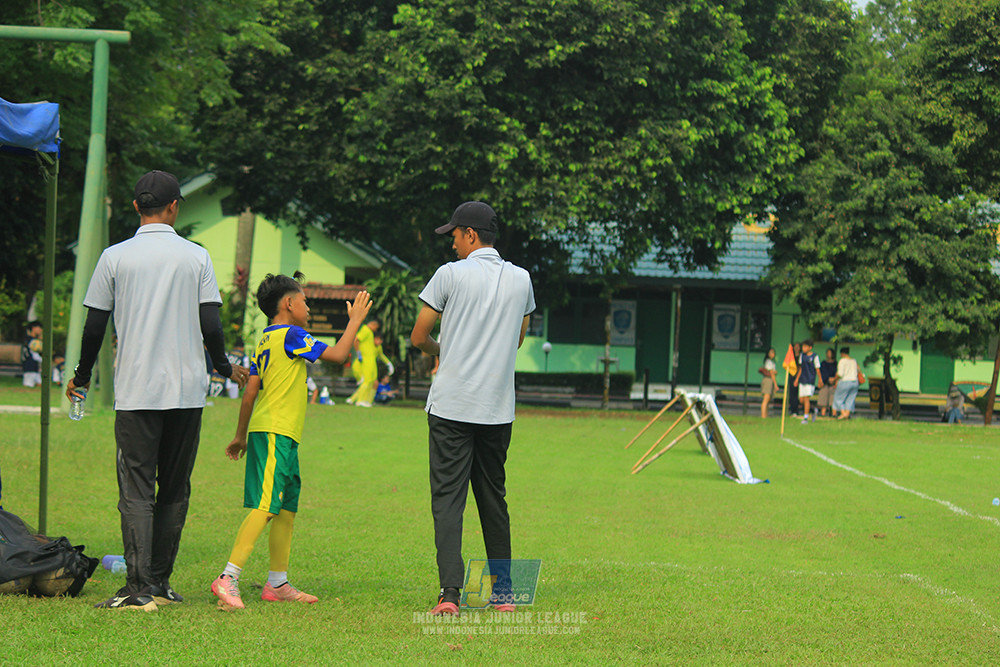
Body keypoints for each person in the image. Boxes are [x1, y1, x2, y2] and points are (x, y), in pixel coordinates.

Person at [66, 170, 250, 612]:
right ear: (174, 207)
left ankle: (137, 588)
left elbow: (95, 325)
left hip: (136, 390)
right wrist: (224, 367)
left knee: (135, 488)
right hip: (187, 391)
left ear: (135, 207)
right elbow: (211, 325)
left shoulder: (114, 256)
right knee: (174, 487)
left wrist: (82, 375)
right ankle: (161, 584)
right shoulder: (196, 257)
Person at [211, 274, 371, 610]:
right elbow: (340, 354)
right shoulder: (293, 335)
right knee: (267, 505)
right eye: (304, 301)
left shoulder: (265, 339)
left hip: (278, 433)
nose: (308, 307)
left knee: (285, 508)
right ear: (288, 304)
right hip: (275, 432)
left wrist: (241, 435)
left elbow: (251, 391)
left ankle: (277, 583)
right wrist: (355, 320)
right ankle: (228, 577)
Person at [410, 201, 535, 616]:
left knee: (448, 501)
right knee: (493, 499)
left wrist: (444, 350)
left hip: (451, 405)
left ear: (469, 234)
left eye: (454, 237)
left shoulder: (450, 275)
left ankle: (450, 595)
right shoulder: (521, 279)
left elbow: (418, 335)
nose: (452, 246)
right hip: (497, 408)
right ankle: (503, 594)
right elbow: (518, 338)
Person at [346, 318, 383, 407]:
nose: (375, 330)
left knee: (371, 380)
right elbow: (356, 340)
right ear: (374, 325)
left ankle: (365, 400)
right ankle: (359, 400)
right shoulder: (365, 330)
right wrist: (358, 352)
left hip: (370, 359)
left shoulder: (369, 332)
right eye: (376, 328)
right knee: (367, 381)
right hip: (366, 359)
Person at [794, 339, 822, 423]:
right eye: (803, 346)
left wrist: (820, 380)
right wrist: (797, 379)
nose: (803, 348)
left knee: (806, 399)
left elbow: (817, 369)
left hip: (810, 380)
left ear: (810, 347)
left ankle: (805, 418)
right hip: (802, 379)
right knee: (801, 400)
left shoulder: (814, 356)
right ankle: (813, 411)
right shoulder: (802, 356)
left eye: (805, 346)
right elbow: (801, 368)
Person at [832, 346, 860, 420]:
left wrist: (834, 379)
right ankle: (846, 415)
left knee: (838, 398)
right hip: (854, 382)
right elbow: (858, 370)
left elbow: (840, 374)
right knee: (850, 399)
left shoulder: (842, 361)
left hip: (845, 381)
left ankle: (843, 413)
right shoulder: (854, 360)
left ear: (842, 353)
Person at [21, 321, 43, 388]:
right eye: (39, 328)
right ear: (33, 328)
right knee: (28, 386)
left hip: (34, 366)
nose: (41, 330)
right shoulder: (33, 342)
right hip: (30, 366)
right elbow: (34, 355)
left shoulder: (28, 339)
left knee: (40, 385)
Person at [817, 348, 837, 417]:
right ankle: (823, 414)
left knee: (833, 399)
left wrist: (834, 379)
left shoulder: (835, 363)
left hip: (833, 383)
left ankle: (833, 414)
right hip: (825, 383)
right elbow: (821, 373)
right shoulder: (823, 363)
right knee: (823, 400)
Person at [759, 348, 778, 418]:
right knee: (766, 398)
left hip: (770, 380)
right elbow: (772, 373)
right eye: (771, 352)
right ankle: (763, 415)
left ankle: (765, 415)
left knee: (768, 398)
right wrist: (775, 384)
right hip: (768, 380)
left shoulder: (771, 362)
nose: (772, 354)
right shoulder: (768, 362)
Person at [788, 341, 801, 417]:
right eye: (795, 346)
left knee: (798, 395)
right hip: (792, 376)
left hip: (799, 377)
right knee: (792, 394)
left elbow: (800, 368)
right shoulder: (791, 357)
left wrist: (797, 378)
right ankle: (793, 410)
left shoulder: (801, 357)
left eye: (798, 346)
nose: (797, 348)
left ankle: (796, 410)